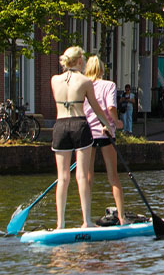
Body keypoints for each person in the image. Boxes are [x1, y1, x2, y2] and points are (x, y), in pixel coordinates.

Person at [50, 46, 113, 230]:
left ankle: (60, 224)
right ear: (78, 61)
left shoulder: (54, 80)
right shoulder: (85, 81)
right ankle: (87, 221)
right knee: (82, 176)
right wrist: (107, 126)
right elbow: (96, 108)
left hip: (60, 126)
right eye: (83, 60)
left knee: (62, 178)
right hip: (79, 125)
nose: (84, 63)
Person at [83, 56, 128, 226]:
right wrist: (116, 122)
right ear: (102, 69)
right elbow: (110, 108)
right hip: (105, 133)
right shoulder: (109, 85)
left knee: (87, 177)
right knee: (113, 176)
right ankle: (122, 217)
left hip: (86, 133)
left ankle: (85, 220)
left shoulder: (82, 86)